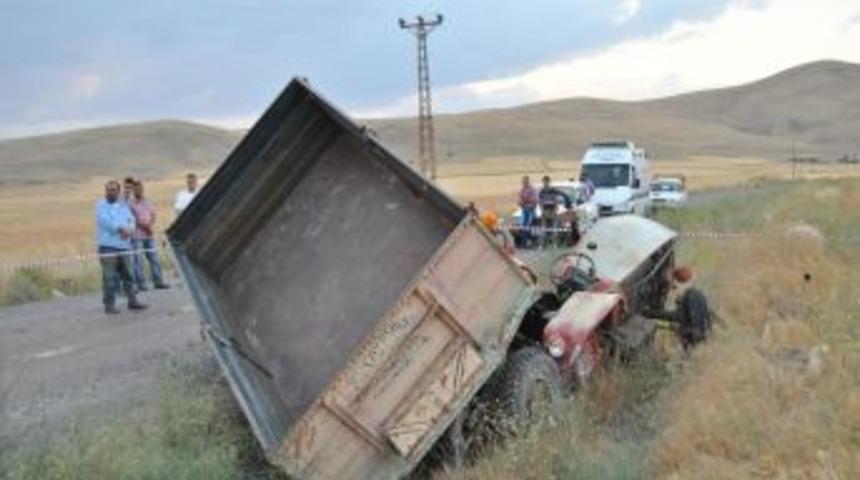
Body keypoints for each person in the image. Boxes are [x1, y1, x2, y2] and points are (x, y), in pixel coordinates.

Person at [96, 180, 147, 314]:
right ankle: (109, 305)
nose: (110, 192)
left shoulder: (123, 206)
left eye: (113, 190)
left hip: (124, 245)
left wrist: (130, 230)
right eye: (108, 190)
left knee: (128, 275)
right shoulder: (101, 205)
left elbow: (131, 220)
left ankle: (132, 301)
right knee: (109, 277)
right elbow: (105, 221)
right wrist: (120, 229)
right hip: (108, 247)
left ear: (118, 192)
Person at [130, 180, 169, 291]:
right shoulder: (130, 204)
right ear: (133, 190)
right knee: (138, 260)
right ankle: (141, 284)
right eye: (136, 189)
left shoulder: (147, 202)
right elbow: (132, 220)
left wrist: (150, 225)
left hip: (149, 235)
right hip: (137, 236)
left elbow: (153, 215)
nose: (139, 191)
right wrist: (145, 227)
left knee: (154, 259)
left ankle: (158, 281)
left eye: (140, 188)